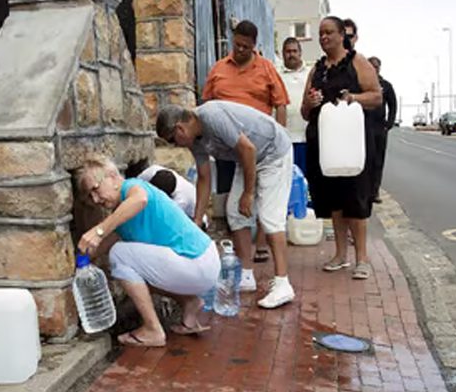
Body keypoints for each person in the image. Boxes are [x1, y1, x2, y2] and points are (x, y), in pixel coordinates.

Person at [156, 100, 295, 309]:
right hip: (248, 158)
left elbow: (248, 148)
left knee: (269, 216)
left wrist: (248, 193)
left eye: (173, 140)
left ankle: (283, 284)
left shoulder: (211, 116)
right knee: (235, 212)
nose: (177, 145)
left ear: (180, 129)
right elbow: (204, 177)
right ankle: (246, 276)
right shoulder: (195, 141)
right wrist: (196, 220)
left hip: (273, 151)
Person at [76, 155, 220, 347]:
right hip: (203, 263)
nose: (95, 199)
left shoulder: (133, 187)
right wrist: (79, 260)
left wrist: (99, 230)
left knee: (119, 255)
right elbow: (99, 247)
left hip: (196, 261)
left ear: (112, 176)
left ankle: (153, 330)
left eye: (95, 189)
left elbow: (140, 199)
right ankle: (189, 303)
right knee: (131, 271)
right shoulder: (122, 217)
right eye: (89, 196)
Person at [301, 16, 382, 280]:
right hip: (324, 145)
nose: (324, 37)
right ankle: (339, 255)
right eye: (321, 33)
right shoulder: (317, 70)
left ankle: (362, 259)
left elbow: (376, 96)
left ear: (341, 35)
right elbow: (304, 111)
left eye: (329, 33)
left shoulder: (357, 62)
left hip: (352, 142)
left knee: (356, 200)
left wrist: (353, 98)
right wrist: (311, 103)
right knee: (333, 200)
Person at [202, 20, 290, 264]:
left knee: (260, 195)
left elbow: (280, 103)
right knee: (233, 198)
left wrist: (279, 135)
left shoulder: (266, 68)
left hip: (261, 146)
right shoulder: (219, 68)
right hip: (228, 147)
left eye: (246, 47)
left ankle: (261, 244)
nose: (240, 50)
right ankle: (241, 253)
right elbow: (206, 102)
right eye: (237, 45)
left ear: (254, 45)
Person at [277, 37, 312, 176]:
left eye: (294, 51)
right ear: (282, 53)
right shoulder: (275, 74)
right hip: (285, 139)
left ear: (300, 53)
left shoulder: (310, 73)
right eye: (287, 51)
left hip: (306, 137)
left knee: (306, 179)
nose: (291, 54)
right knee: (287, 179)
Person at [368, 56, 397, 204]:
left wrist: (389, 123)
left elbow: (393, 104)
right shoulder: (362, 84)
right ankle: (365, 191)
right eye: (371, 66)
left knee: (378, 161)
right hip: (366, 127)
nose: (374, 69)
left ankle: (375, 191)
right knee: (367, 160)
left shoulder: (386, 85)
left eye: (376, 67)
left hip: (380, 128)